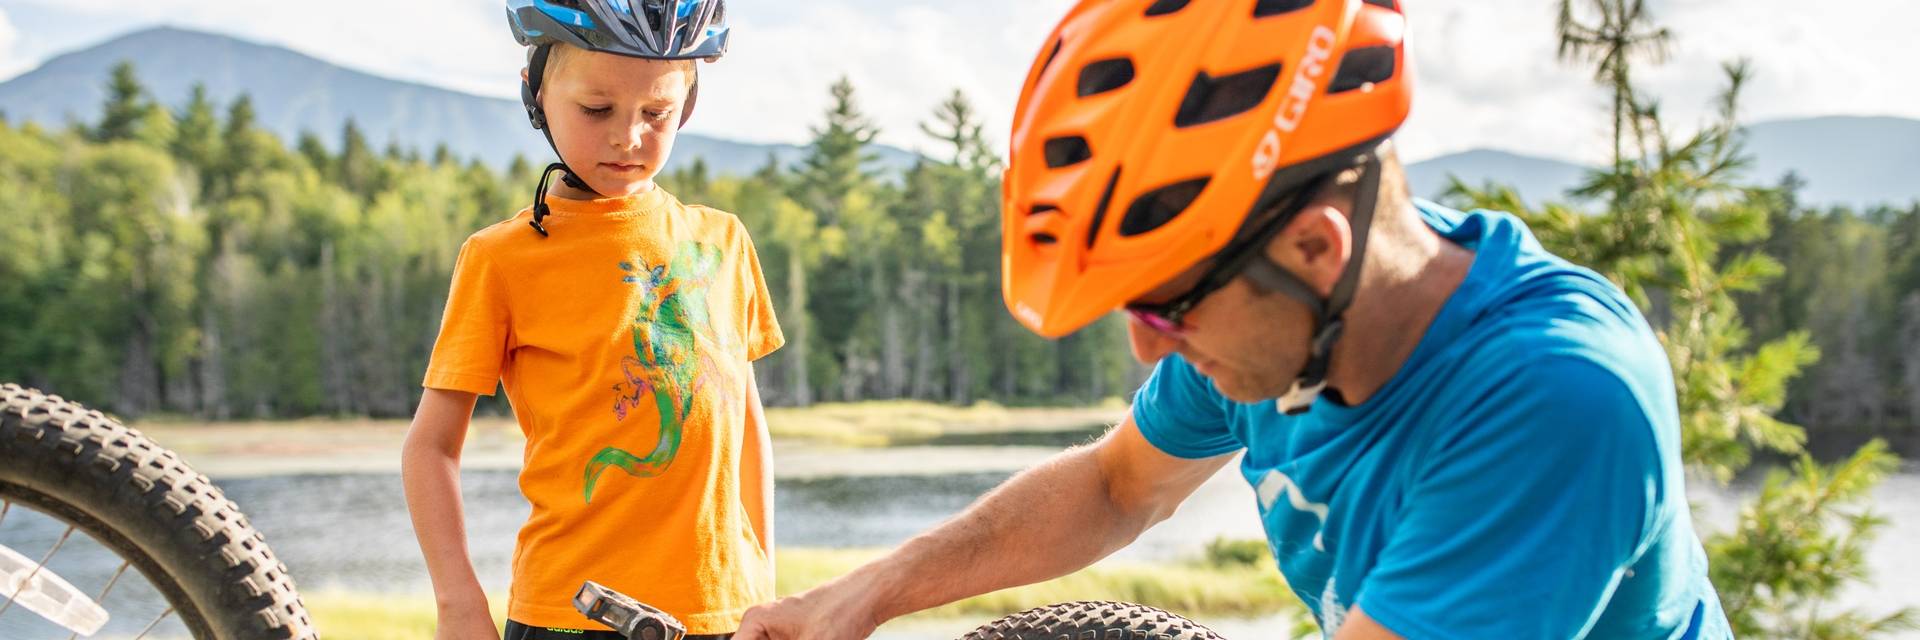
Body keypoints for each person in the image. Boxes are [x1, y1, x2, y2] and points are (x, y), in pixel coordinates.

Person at [736, 1, 1730, 638]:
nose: (1142, 343)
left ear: (1313, 250)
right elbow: (1114, 488)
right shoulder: (1273, 336)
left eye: (1165, 305)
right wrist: (865, 593)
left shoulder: (1558, 399)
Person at [403, 1, 782, 639]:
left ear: (686, 107)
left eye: (656, 113)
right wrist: (458, 603)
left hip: (726, 612)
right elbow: (430, 447)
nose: (627, 137)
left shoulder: (722, 241)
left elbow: (746, 424)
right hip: (571, 616)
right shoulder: (501, 258)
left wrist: (763, 585)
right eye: (597, 109)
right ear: (536, 95)